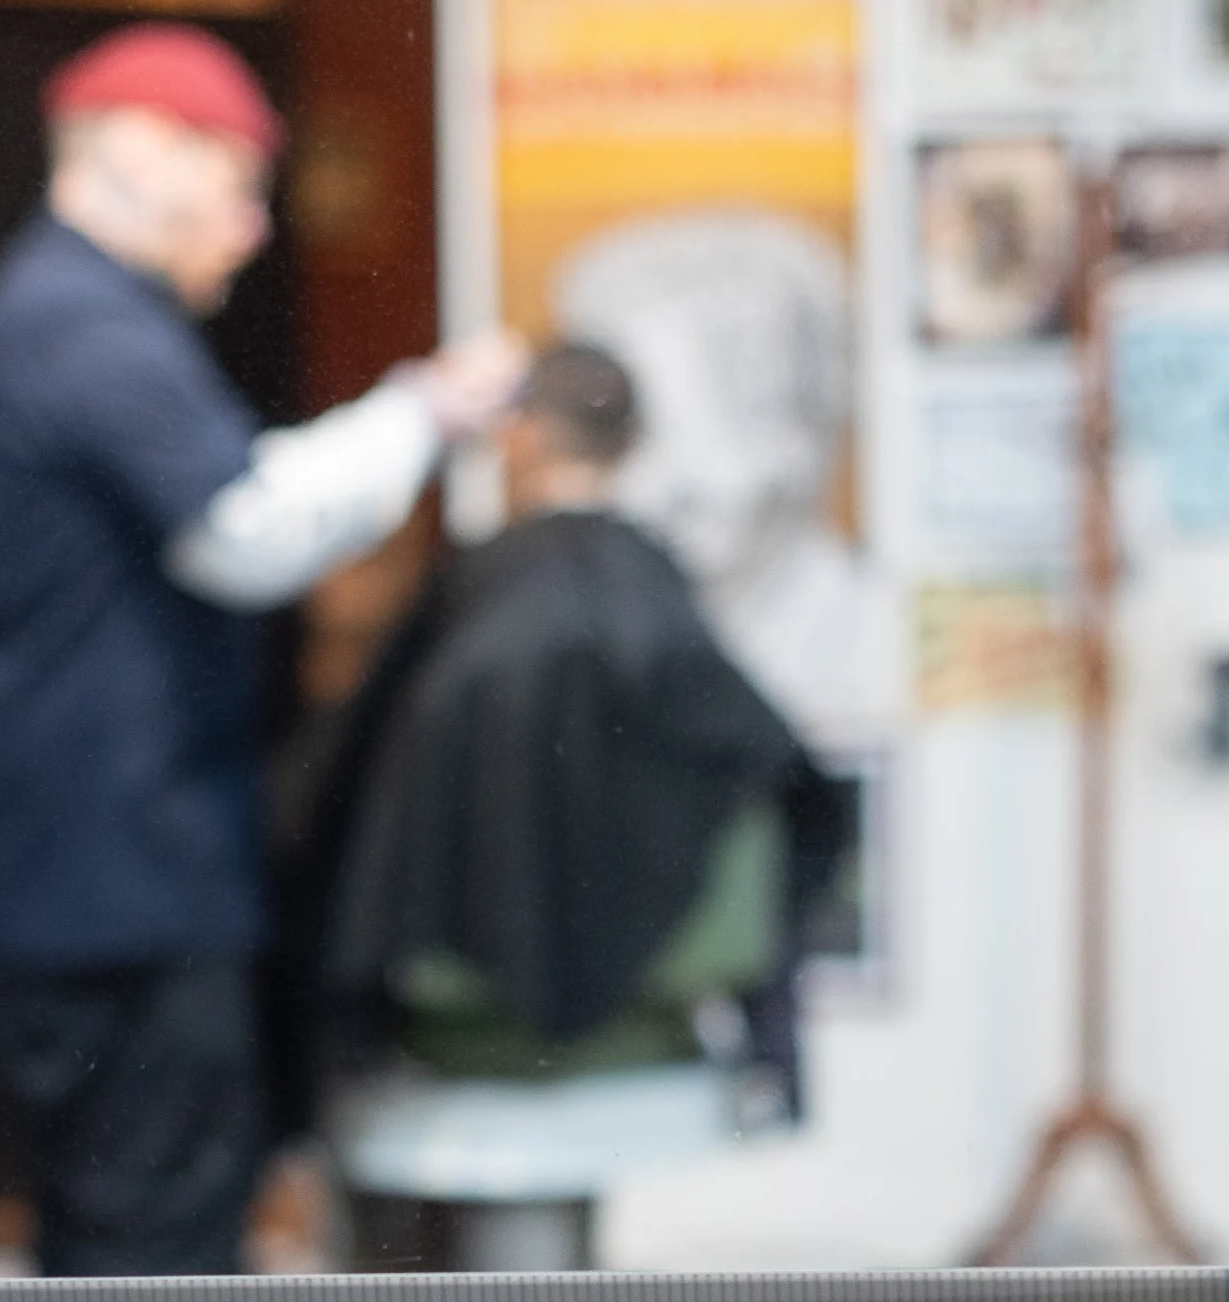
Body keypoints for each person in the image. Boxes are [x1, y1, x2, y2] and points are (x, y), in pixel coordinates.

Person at [0, 22, 522, 1274]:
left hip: (90, 882)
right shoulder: (81, 326)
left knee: (119, 1223)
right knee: (152, 1249)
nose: (253, 228)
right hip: (116, 894)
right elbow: (245, 528)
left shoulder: (63, 316)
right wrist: (422, 411)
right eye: (237, 182)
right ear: (137, 151)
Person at [314, 340, 843, 1093]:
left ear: (519, 436)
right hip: (651, 989)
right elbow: (792, 782)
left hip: (458, 994)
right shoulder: (653, 590)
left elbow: (349, 785)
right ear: (631, 446)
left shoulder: (477, 592)